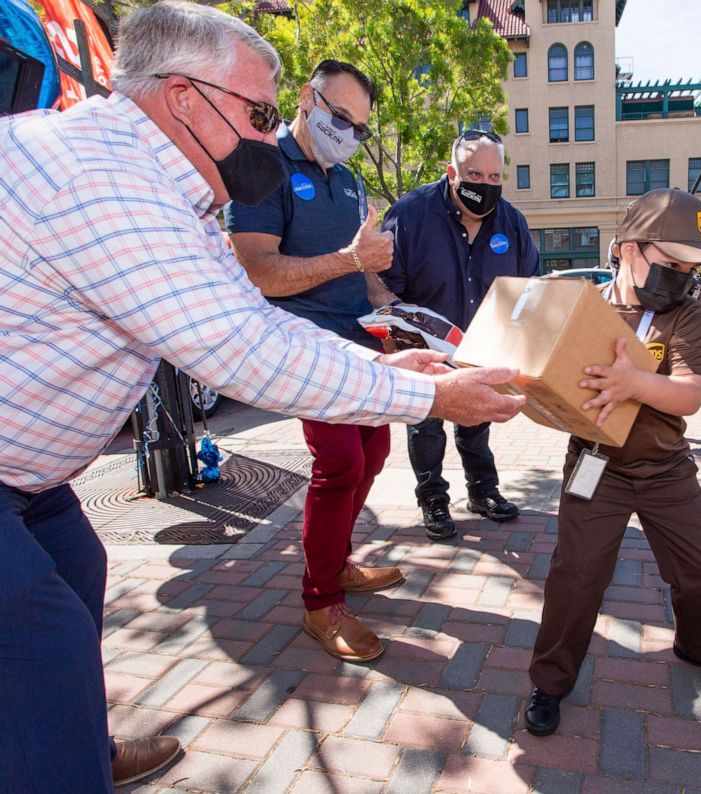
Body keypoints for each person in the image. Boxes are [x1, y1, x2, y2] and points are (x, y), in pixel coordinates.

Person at [0, 3, 523, 791]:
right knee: (43, 637)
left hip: (31, 480)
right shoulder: (103, 176)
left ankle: (72, 743)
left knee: (78, 570)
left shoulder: (174, 187)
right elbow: (240, 345)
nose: (267, 135)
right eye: (261, 112)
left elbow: (241, 317)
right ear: (183, 96)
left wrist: (402, 377)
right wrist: (430, 401)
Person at [524, 189, 701, 738]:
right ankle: (551, 681)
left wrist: (633, 382)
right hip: (595, 467)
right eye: (671, 263)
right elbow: (544, 386)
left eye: (692, 267)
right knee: (575, 579)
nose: (683, 277)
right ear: (629, 249)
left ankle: (699, 645)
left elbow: (691, 394)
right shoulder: (584, 309)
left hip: (666, 469)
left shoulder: (687, 315)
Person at [227, 59, 401, 663]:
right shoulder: (261, 168)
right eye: (339, 117)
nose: (348, 133)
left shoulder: (350, 181)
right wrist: (351, 261)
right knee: (340, 464)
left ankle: (338, 562)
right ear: (306, 97)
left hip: (358, 346)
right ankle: (320, 601)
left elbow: (368, 277)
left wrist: (397, 312)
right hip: (302, 345)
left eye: (358, 126)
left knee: (374, 452)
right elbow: (257, 271)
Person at [380, 129, 540, 541]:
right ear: (452, 172)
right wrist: (399, 337)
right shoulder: (410, 214)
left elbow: (529, 288)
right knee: (426, 427)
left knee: (477, 421)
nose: (484, 186)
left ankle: (482, 492)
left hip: (481, 346)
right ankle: (432, 496)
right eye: (474, 174)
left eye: (493, 178)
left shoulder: (511, 222)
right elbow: (382, 286)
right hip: (425, 352)